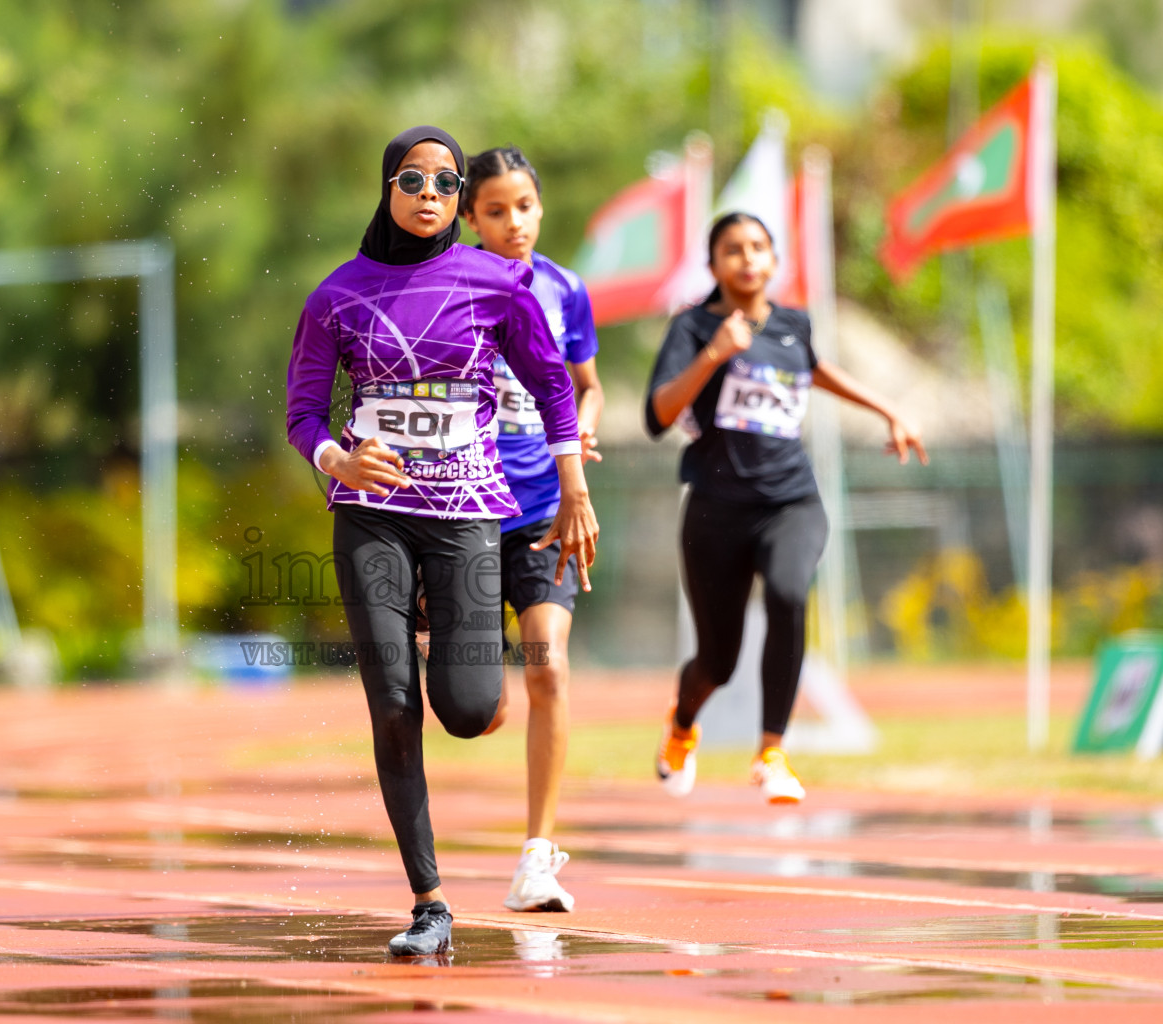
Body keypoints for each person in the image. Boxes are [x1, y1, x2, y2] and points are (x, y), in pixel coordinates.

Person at [286, 126, 599, 957]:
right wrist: (338, 456)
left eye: (446, 182)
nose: (431, 194)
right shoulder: (337, 295)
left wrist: (572, 483)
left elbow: (553, 386)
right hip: (372, 513)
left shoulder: (496, 282)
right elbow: (303, 414)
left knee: (465, 711)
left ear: (459, 199)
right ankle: (429, 903)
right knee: (393, 702)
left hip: (467, 513)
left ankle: (447, 632)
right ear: (387, 187)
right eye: (414, 179)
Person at [644, 212, 926, 804]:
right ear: (713, 264)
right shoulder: (694, 327)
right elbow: (658, 415)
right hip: (716, 511)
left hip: (790, 501)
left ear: (774, 260)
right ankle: (681, 723)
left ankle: (772, 752)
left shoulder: (794, 324)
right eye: (733, 250)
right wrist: (714, 354)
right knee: (717, 663)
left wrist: (888, 409)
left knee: (789, 593)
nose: (747, 259)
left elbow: (818, 371)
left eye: (758, 248)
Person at [459, 145, 601, 913]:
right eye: (496, 211)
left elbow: (586, 386)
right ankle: (471, 686)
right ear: (469, 219)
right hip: (466, 513)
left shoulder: (565, 289)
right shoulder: (449, 288)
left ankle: (537, 859)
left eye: (526, 207)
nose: (516, 223)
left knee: (548, 669)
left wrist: (584, 434)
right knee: (479, 710)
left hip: (546, 512)